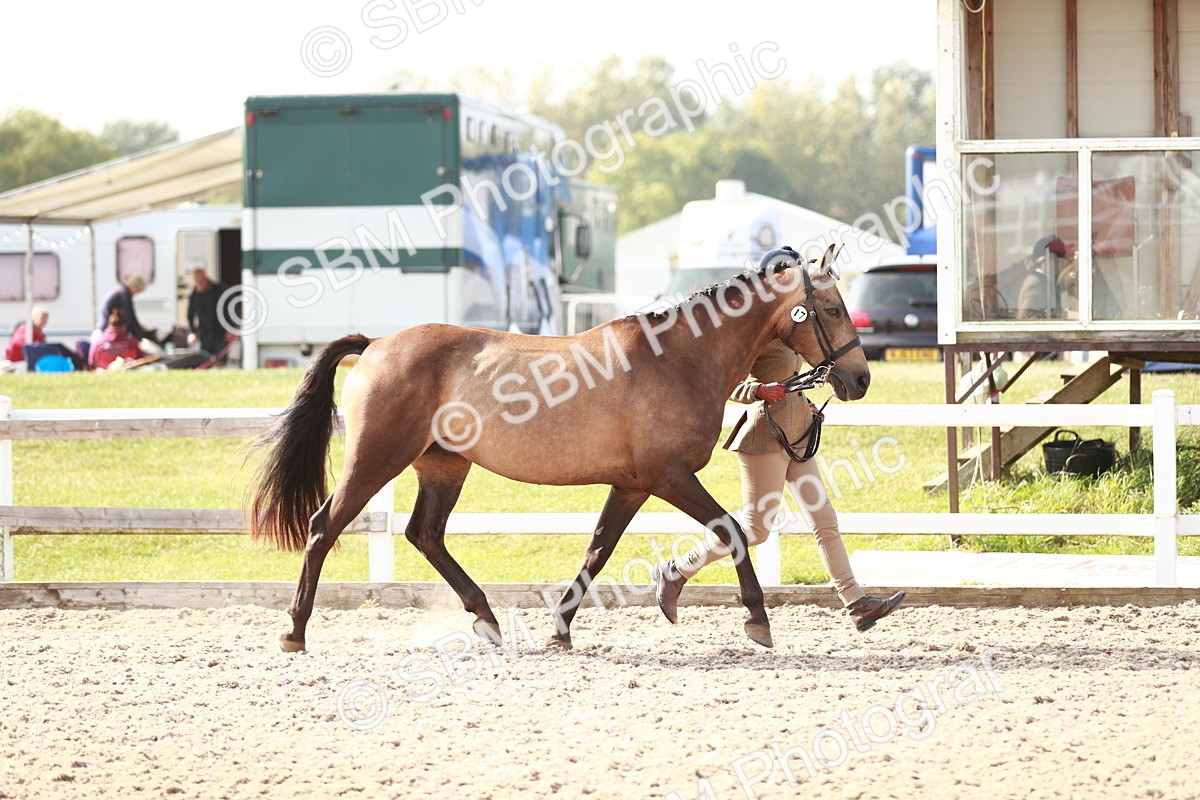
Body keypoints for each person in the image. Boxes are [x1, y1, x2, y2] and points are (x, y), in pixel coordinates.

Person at [653, 338, 907, 633]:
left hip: (798, 434)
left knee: (824, 519)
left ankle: (856, 603)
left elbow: (794, 380)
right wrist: (758, 390)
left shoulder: (794, 333)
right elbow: (725, 382)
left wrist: (805, 405)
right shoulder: (759, 334)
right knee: (755, 530)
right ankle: (678, 569)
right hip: (764, 437)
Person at [1017, 235, 1077, 319]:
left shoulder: (1046, 281)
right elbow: (1026, 317)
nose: (1060, 264)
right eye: (1056, 260)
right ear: (1044, 261)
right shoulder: (1035, 284)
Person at [94, 274, 153, 346]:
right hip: (107, 332)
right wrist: (139, 336)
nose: (136, 294)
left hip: (101, 329)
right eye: (138, 291)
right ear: (135, 286)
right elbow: (130, 317)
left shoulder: (119, 290)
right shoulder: (124, 295)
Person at [186, 268, 231, 361]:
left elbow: (230, 310)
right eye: (197, 282)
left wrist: (231, 328)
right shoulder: (194, 295)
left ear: (206, 278)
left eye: (202, 281)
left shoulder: (220, 290)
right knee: (203, 360)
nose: (200, 285)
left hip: (221, 332)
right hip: (204, 334)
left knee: (220, 361)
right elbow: (190, 316)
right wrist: (192, 333)